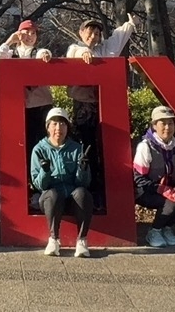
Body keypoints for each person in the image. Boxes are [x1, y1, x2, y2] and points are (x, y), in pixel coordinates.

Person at [65, 14, 136, 207]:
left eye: (97, 33)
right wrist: (84, 53)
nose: (93, 36)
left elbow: (117, 39)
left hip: (105, 105)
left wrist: (130, 24)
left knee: (108, 147)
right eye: (90, 32)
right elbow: (75, 52)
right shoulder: (75, 48)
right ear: (81, 33)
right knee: (87, 147)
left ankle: (108, 193)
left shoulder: (103, 49)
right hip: (84, 105)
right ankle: (89, 189)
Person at [30, 107, 93, 258]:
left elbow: (84, 183)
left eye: (63, 124)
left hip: (72, 197)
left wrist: (83, 169)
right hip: (51, 199)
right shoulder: (39, 150)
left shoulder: (76, 148)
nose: (59, 128)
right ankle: (54, 239)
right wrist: (45, 171)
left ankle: (82, 240)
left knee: (83, 193)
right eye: (54, 124)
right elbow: (39, 185)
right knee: (52, 195)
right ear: (48, 127)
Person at [0, 19, 54, 174]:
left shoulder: (38, 52)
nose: (30, 36)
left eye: (33, 33)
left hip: (41, 106)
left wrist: (45, 54)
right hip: (20, 107)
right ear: (19, 34)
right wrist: (10, 41)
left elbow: (44, 54)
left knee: (43, 143)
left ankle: (43, 177)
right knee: (23, 145)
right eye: (26, 33)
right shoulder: (11, 54)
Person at [133, 105, 175, 248]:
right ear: (154, 126)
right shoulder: (145, 146)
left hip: (171, 188)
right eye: (163, 123)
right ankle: (154, 231)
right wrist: (161, 189)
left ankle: (165, 228)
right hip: (146, 191)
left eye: (170, 123)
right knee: (171, 204)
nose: (167, 127)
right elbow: (139, 179)